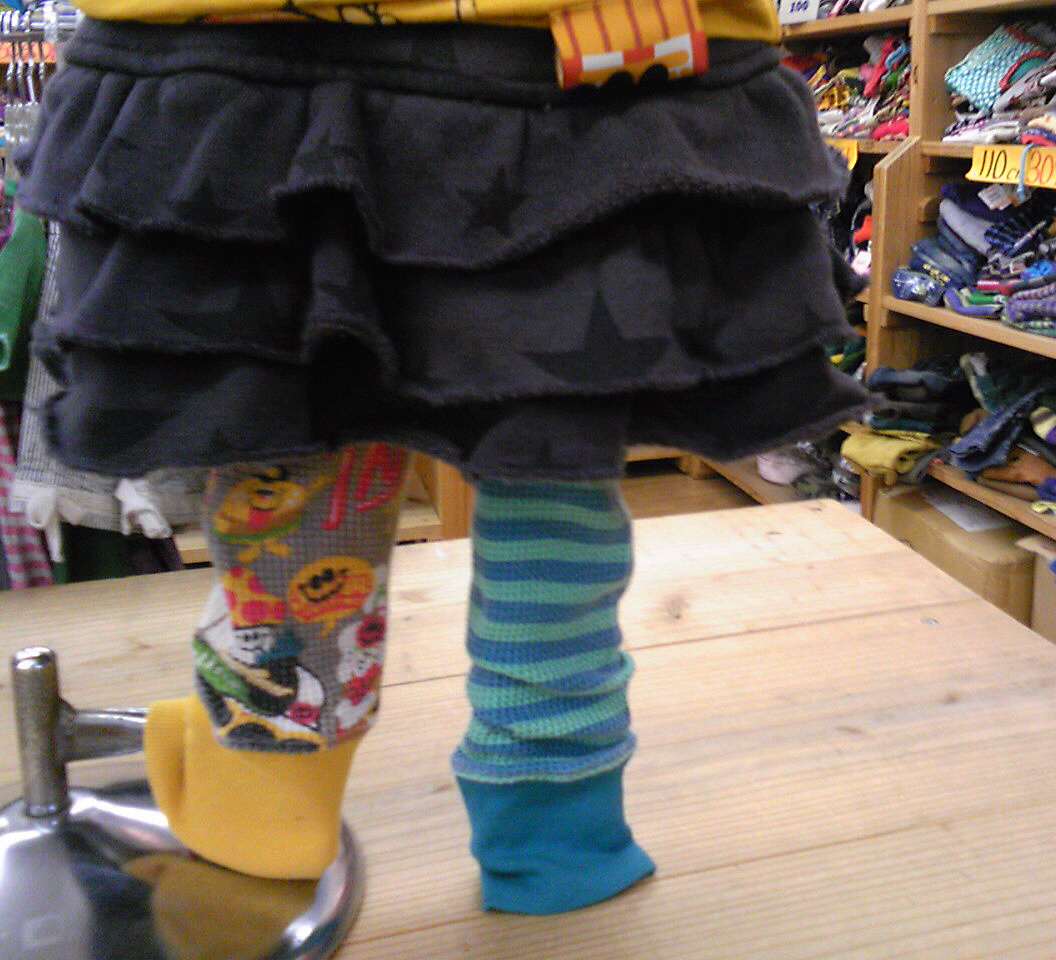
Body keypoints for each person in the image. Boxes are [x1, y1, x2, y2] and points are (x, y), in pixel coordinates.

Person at [17, 0, 865, 914]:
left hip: (258, 47)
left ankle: (268, 796)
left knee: (301, 443)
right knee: (554, 466)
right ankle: (555, 830)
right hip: (596, 52)